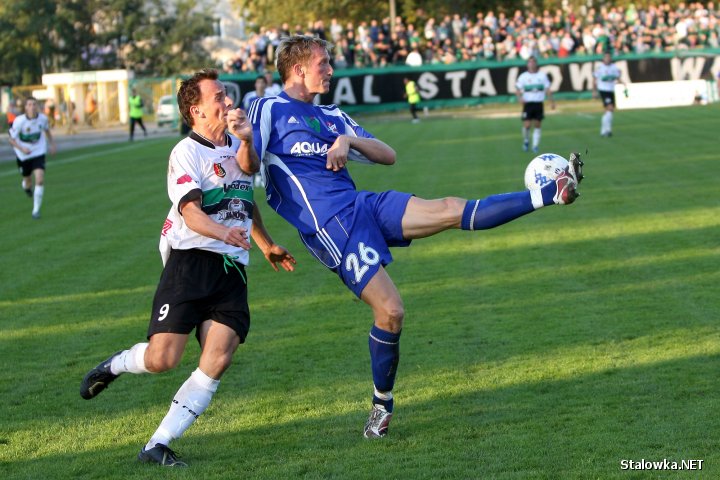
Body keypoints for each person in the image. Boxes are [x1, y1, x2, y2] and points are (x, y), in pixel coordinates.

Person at [247, 35, 584, 439]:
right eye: (324, 63)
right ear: (299, 69)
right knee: (391, 312)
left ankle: (550, 193)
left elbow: (388, 155)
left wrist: (349, 140)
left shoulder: (333, 115)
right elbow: (244, 170)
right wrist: (263, 235)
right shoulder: (267, 108)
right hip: (329, 226)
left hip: (361, 204)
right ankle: (381, 406)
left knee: (446, 208)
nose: (331, 70)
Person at [79, 69, 296, 467]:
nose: (227, 100)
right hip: (191, 261)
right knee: (164, 359)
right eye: (218, 96)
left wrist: (265, 244)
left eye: (226, 94)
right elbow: (191, 213)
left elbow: (244, 192)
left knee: (221, 353)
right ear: (196, 111)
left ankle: (157, 444)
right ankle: (115, 364)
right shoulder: (186, 152)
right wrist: (223, 233)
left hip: (231, 267)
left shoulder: (237, 144)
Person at [8, 97, 56, 219]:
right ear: (25, 107)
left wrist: (52, 144)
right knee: (28, 180)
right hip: (23, 155)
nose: (32, 107)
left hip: (38, 152)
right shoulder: (19, 121)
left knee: (39, 179)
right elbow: (11, 140)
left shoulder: (43, 119)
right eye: (29, 104)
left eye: (34, 104)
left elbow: (47, 131)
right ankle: (26, 186)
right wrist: (21, 148)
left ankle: (36, 211)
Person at [515, 56, 555, 153]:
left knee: (537, 125)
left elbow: (547, 89)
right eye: (530, 62)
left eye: (533, 62)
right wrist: (520, 98)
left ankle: (535, 146)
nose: (531, 64)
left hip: (538, 103)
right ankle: (526, 140)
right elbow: (517, 89)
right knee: (527, 125)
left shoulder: (542, 76)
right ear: (527, 64)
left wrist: (551, 102)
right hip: (528, 104)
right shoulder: (523, 76)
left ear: (536, 63)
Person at [593, 52, 625, 137]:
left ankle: (605, 130)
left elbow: (617, 77)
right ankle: (607, 130)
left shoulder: (613, 67)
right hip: (603, 90)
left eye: (609, 57)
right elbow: (595, 80)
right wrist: (594, 91)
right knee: (610, 108)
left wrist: (623, 84)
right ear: (603, 59)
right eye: (606, 57)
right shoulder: (600, 68)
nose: (607, 59)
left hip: (611, 90)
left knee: (609, 111)